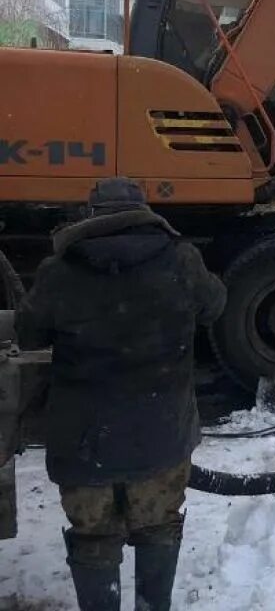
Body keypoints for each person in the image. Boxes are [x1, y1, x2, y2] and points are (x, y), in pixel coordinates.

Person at [16, 178, 226, 611]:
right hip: (161, 436)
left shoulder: (60, 270)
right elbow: (215, 305)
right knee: (158, 529)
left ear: (89, 216)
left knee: (93, 538)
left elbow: (28, 332)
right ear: (144, 213)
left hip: (84, 443)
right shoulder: (181, 260)